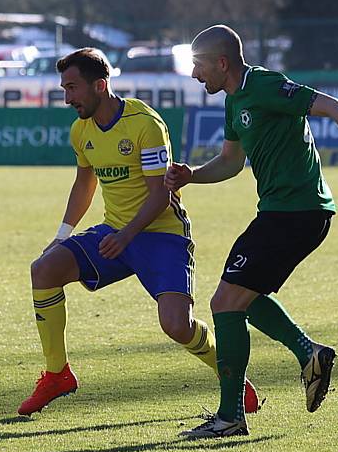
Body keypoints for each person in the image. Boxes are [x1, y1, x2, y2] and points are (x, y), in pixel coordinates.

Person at [166, 25, 338, 438]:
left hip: (297, 212)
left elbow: (333, 106)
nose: (194, 75)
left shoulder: (264, 85)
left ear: (222, 63)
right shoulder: (233, 102)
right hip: (283, 213)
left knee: (226, 302)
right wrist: (191, 174)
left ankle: (230, 417)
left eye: (199, 66)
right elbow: (230, 162)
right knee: (239, 296)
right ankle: (308, 354)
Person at [17, 48, 260, 416]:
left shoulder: (144, 123)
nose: (67, 98)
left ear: (100, 85)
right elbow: (85, 184)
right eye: (64, 89)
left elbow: (161, 195)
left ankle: (233, 380)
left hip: (162, 234)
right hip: (116, 232)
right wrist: (63, 235)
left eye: (72, 88)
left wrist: (127, 235)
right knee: (44, 269)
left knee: (177, 326)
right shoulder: (81, 130)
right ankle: (57, 374)